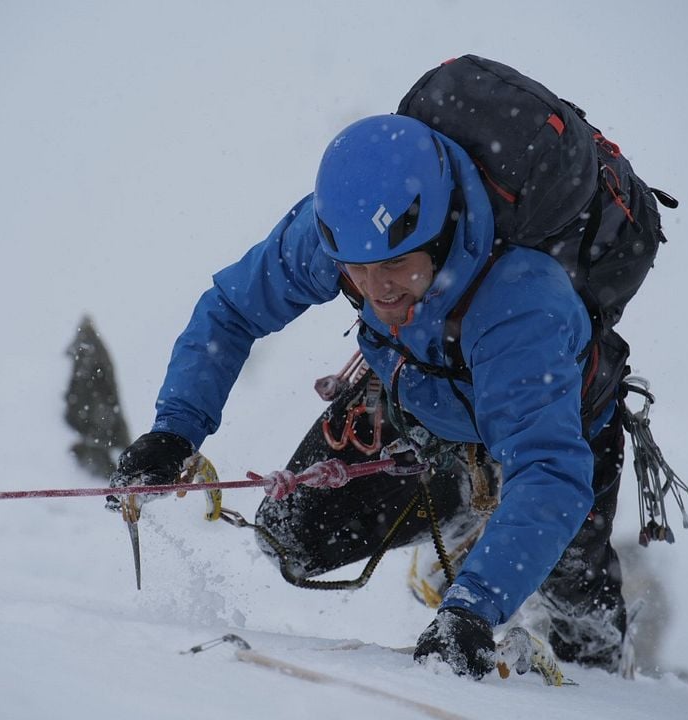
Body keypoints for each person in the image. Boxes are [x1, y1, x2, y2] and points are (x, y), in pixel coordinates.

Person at [110, 98, 646, 680]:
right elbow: (234, 310)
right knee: (292, 539)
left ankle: (551, 624)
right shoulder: (342, 239)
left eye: (394, 267)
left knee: (582, 632)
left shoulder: (520, 303)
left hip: (559, 424)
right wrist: (175, 430)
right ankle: (471, 526)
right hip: (418, 400)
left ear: (440, 232)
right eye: (356, 273)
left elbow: (550, 471)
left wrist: (470, 609)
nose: (374, 290)